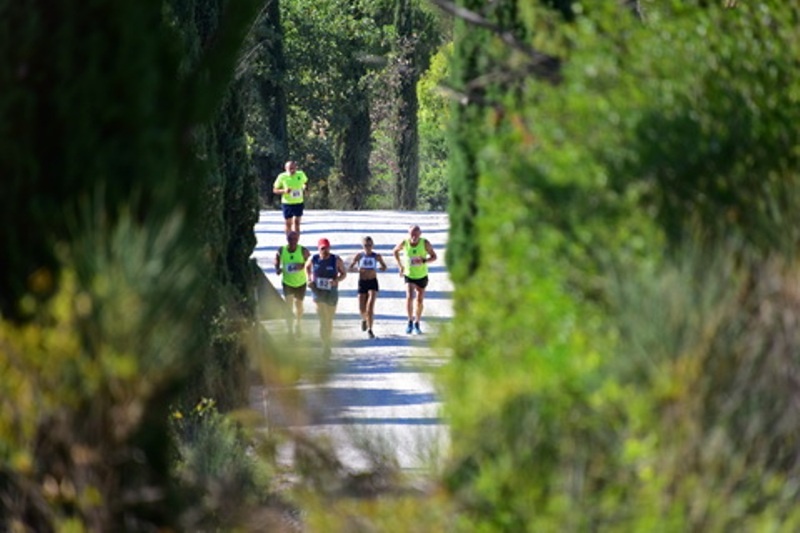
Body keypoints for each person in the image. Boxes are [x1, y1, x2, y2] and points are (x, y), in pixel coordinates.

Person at [393, 225, 437, 335]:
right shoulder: (405, 243)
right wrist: (400, 266)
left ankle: (417, 322)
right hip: (409, 275)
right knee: (409, 297)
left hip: (422, 275)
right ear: (409, 234)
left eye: (416, 234)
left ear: (420, 234)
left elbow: (434, 256)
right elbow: (395, 251)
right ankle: (410, 321)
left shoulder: (425, 243)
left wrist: (424, 261)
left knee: (420, 300)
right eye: (412, 234)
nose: (414, 237)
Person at [305, 238, 347, 353]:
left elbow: (344, 274)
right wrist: (308, 279)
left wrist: (336, 280)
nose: (325, 250)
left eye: (327, 248)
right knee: (322, 318)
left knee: (329, 318)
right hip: (317, 290)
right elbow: (306, 267)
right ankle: (325, 345)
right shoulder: (314, 259)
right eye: (323, 248)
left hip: (331, 291)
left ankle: (327, 340)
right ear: (319, 248)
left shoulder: (336, 259)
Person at [347, 236, 387, 339]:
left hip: (372, 282)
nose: (368, 247)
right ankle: (364, 319)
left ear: (372, 245)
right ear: (363, 246)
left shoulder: (376, 256)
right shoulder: (359, 256)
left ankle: (370, 329)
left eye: (369, 245)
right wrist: (358, 269)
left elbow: (384, 267)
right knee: (362, 308)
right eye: (366, 245)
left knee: (370, 307)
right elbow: (350, 268)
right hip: (362, 282)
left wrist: (381, 268)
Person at [274, 231, 310, 336]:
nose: (293, 242)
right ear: (287, 240)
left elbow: (310, 262)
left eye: (295, 239)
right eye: (290, 239)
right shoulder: (282, 250)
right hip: (287, 282)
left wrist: (302, 265)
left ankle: (298, 324)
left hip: (300, 283)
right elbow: (276, 259)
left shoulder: (303, 250)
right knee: (288, 306)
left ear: (298, 240)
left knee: (298, 305)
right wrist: (277, 269)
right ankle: (289, 329)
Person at [272, 160, 308, 234]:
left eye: (294, 168)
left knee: (297, 222)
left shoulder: (301, 174)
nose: (292, 170)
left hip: (298, 202)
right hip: (287, 203)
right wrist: (284, 191)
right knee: (288, 223)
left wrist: (305, 187)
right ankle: (289, 241)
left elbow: (305, 183)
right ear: (286, 168)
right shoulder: (282, 176)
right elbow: (275, 190)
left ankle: (296, 242)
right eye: (290, 168)